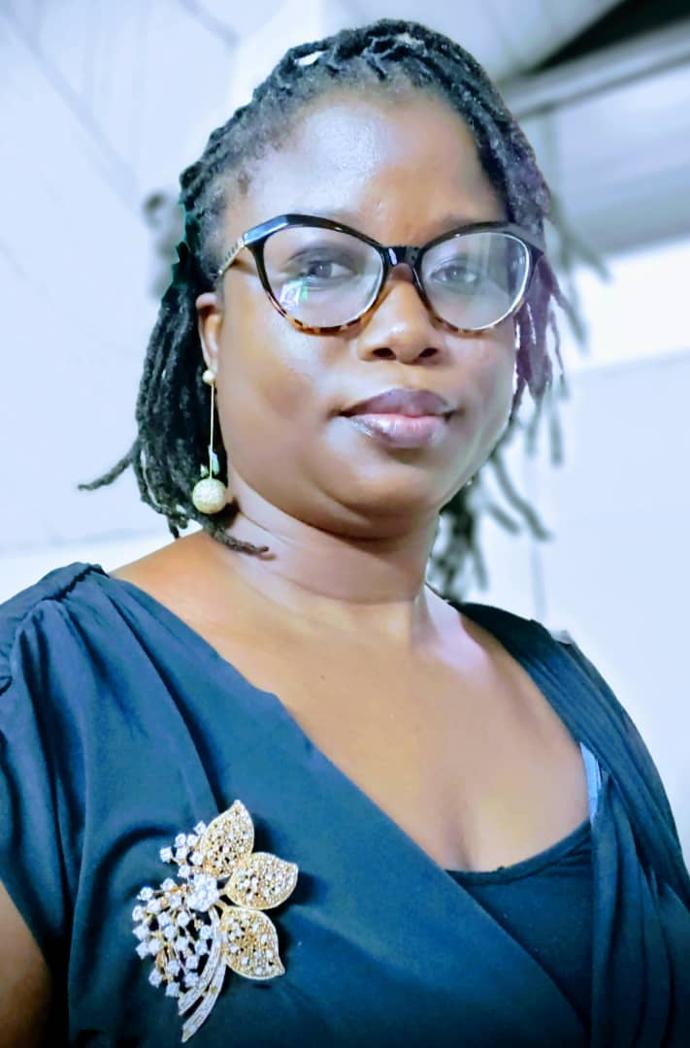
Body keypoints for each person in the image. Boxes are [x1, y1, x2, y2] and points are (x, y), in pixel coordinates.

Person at [1, 18, 688, 1047]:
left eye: (463, 268)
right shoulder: (51, 697)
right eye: (323, 265)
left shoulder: (571, 696)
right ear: (214, 336)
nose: (408, 326)